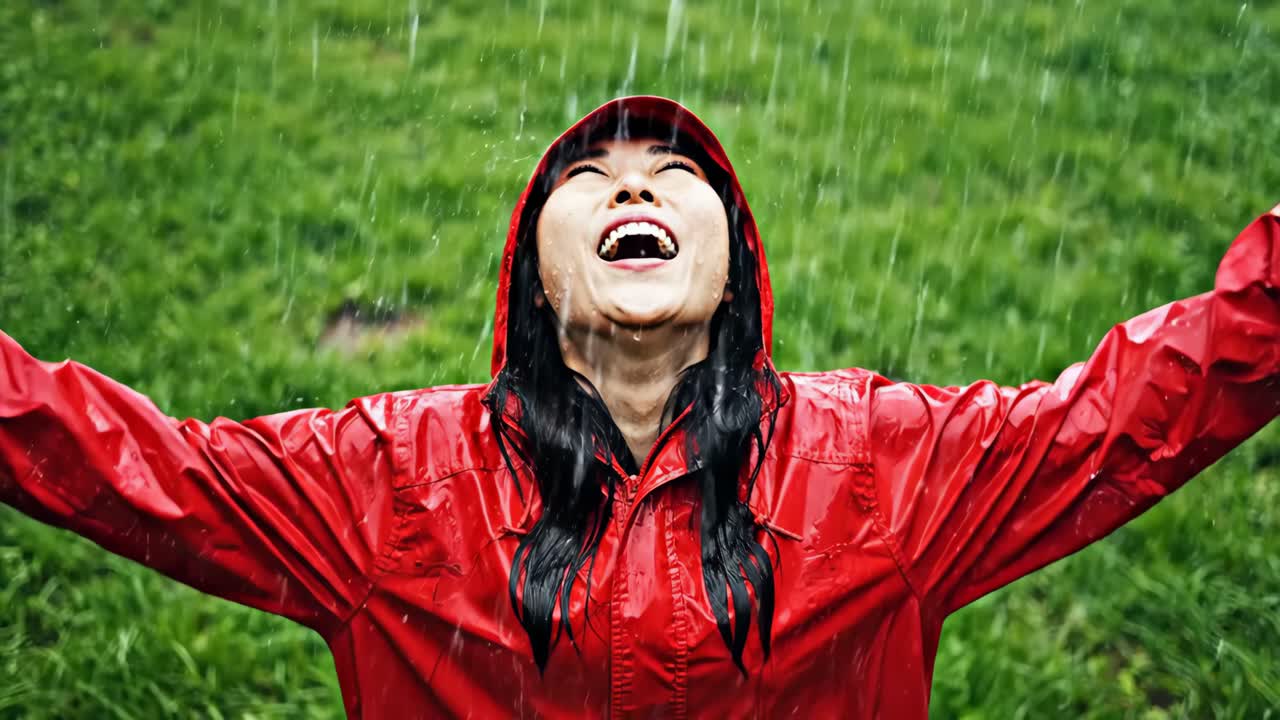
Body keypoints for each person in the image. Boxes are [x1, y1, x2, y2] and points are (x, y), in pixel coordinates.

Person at [1, 95, 1276, 719]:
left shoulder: (883, 468)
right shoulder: (390, 483)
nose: (638, 187)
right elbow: (123, 465)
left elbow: (1128, 415)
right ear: (534, 280)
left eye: (675, 174)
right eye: (590, 177)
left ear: (735, 276)